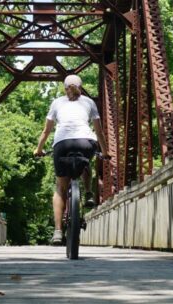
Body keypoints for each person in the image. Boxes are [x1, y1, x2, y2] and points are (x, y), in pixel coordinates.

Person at [33, 74, 107, 245]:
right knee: (86, 161)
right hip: (85, 141)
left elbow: (46, 131)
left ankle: (58, 232)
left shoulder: (57, 102)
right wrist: (105, 151)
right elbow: (99, 131)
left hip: (62, 144)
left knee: (60, 187)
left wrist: (38, 149)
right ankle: (88, 191)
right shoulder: (89, 102)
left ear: (64, 88)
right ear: (81, 87)